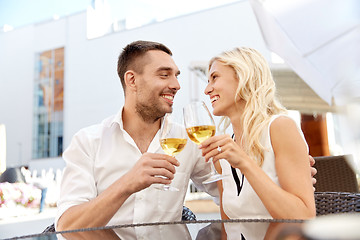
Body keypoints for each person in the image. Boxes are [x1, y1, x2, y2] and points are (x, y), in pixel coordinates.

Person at [55, 40, 218, 239]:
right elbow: (67, 226)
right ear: (132, 80)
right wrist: (127, 184)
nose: (176, 85)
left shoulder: (188, 140)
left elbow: (233, 196)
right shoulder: (88, 142)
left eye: (176, 76)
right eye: (164, 75)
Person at [199, 47, 316, 239]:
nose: (207, 89)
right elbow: (227, 229)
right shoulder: (223, 154)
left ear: (243, 76)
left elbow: (303, 216)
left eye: (215, 77)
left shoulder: (280, 128)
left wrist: (244, 163)